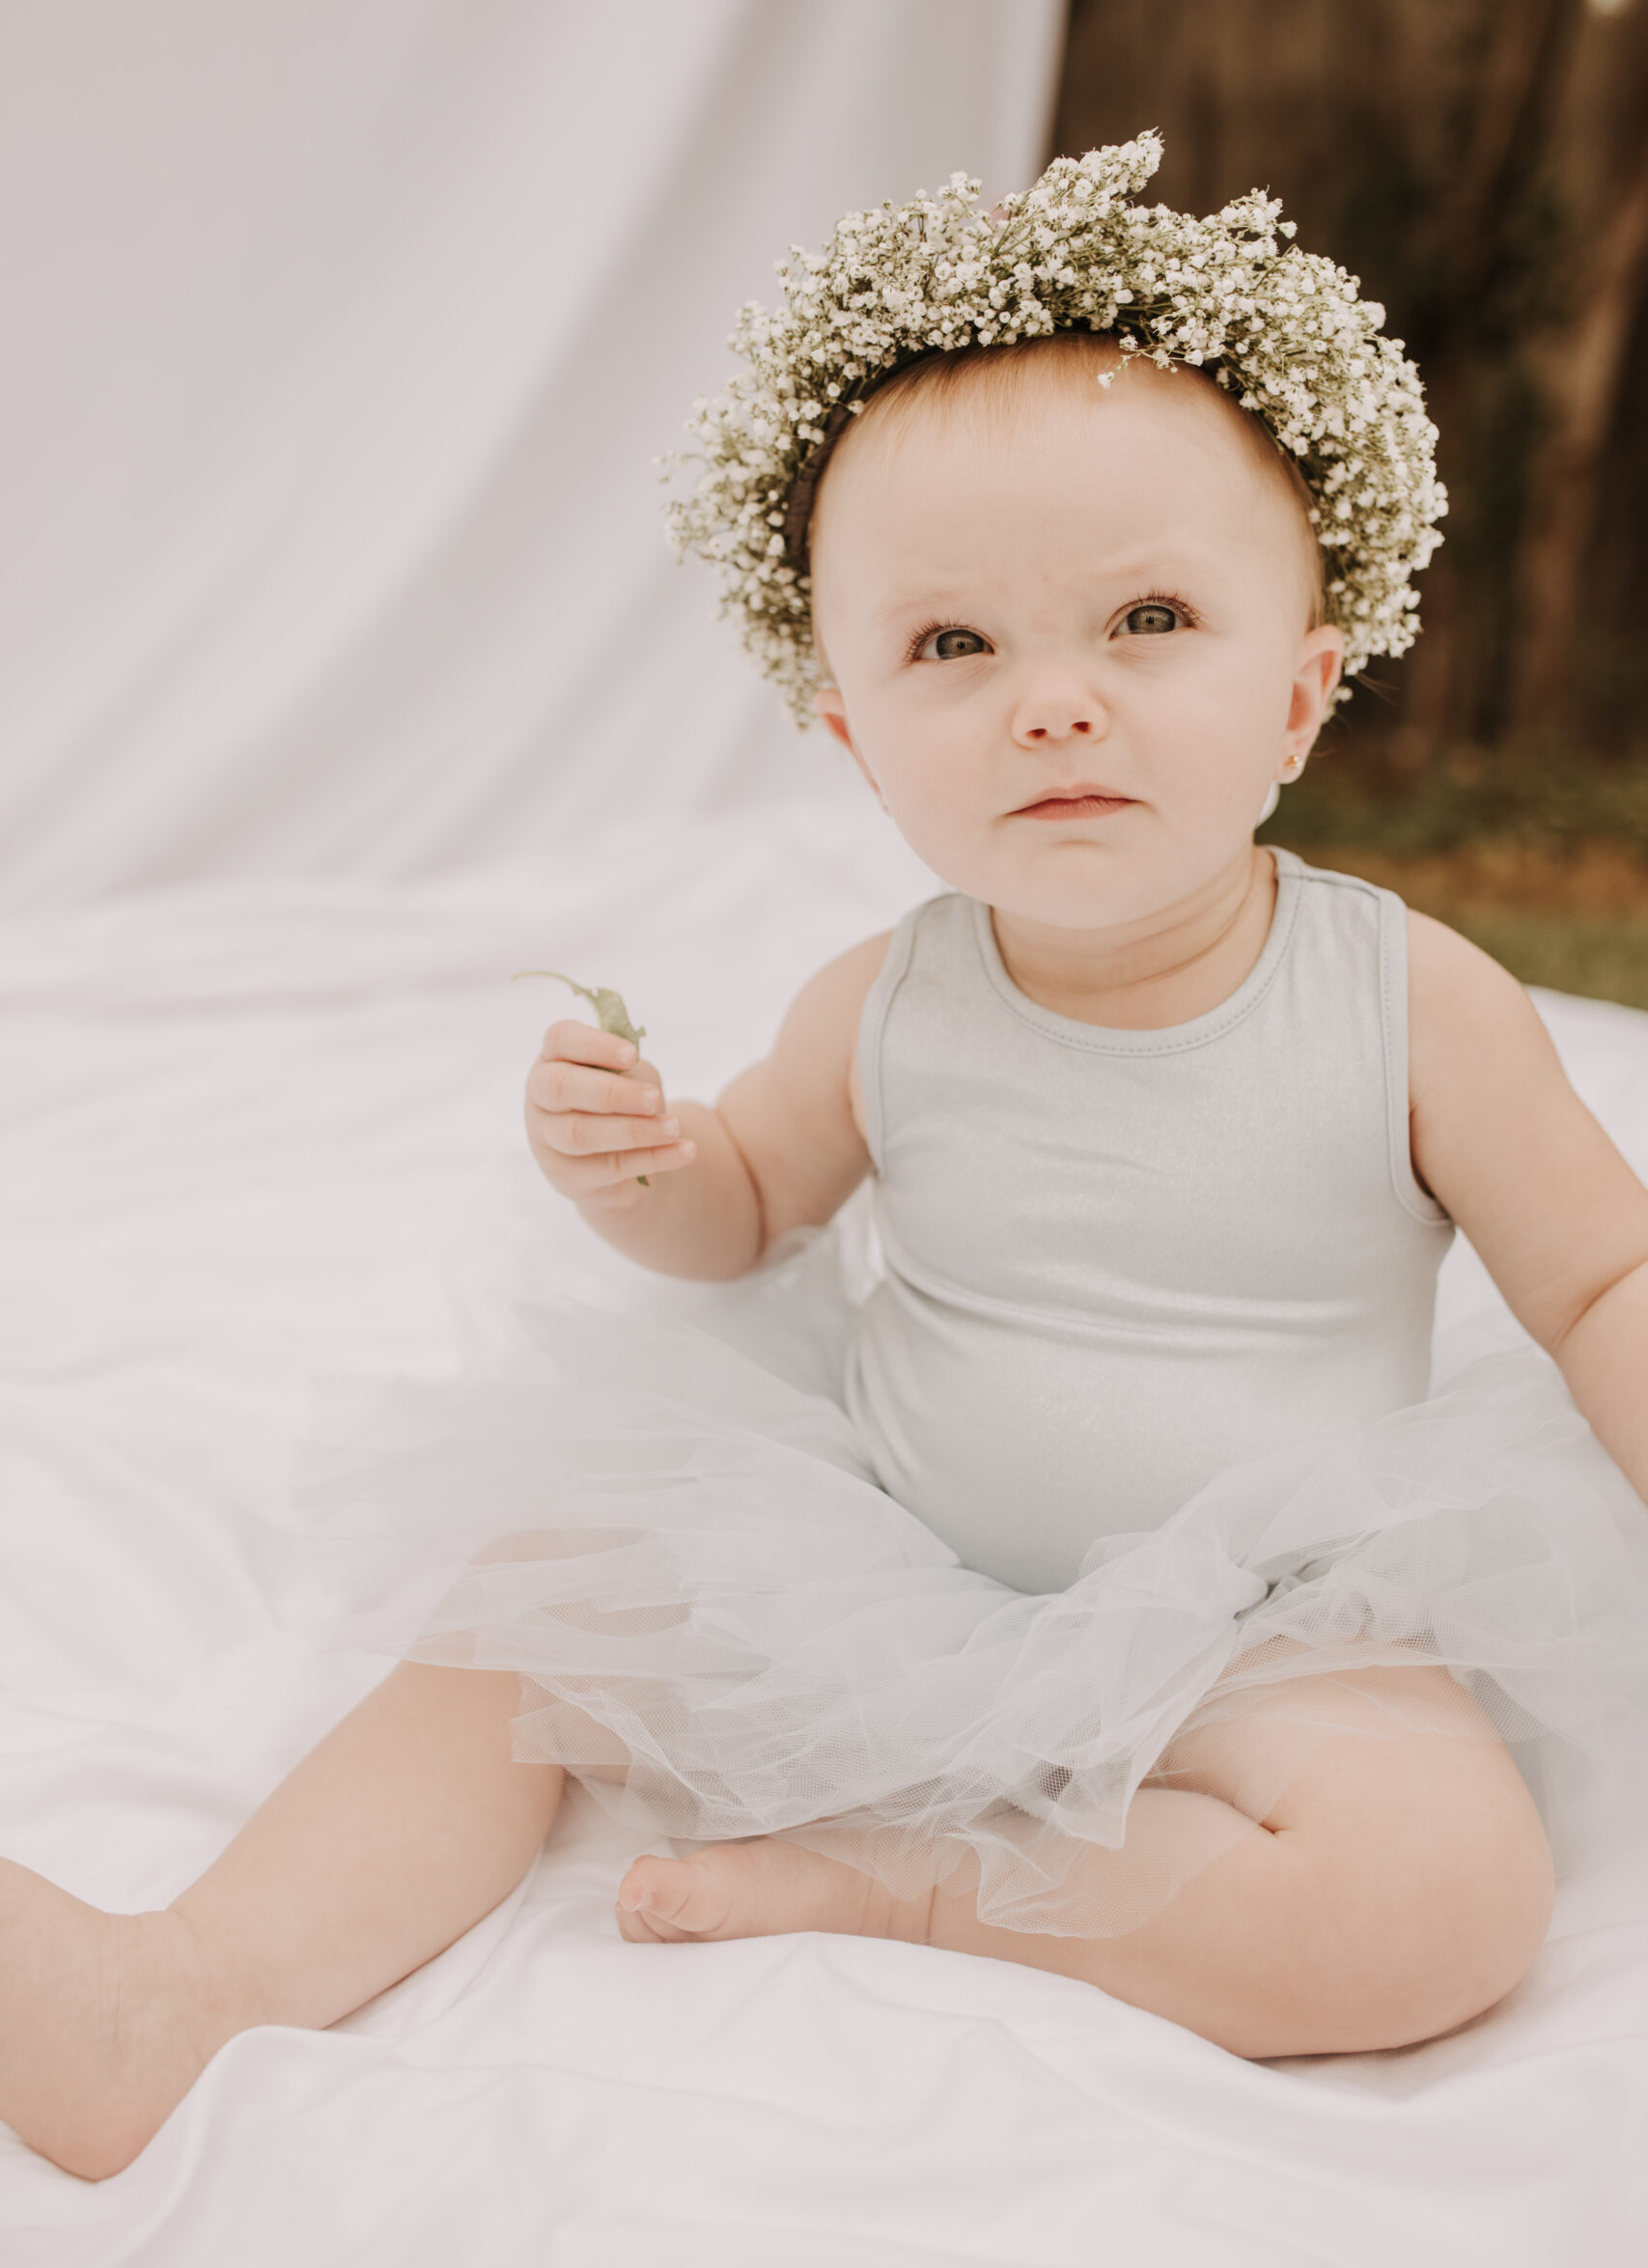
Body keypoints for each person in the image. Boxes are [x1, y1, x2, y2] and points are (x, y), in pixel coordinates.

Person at [7, 138, 1648, 2183]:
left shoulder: (1409, 1001)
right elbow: (745, 1215)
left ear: (1301, 689)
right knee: (520, 1619)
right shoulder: (881, 998)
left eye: (1146, 620)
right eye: (953, 647)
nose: (1053, 703)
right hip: (894, 1545)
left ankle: (910, 1877)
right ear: (853, 733)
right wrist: (652, 1169)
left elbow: (1598, 1277)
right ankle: (173, 1987)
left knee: (1437, 1900)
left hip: (1272, 1604)